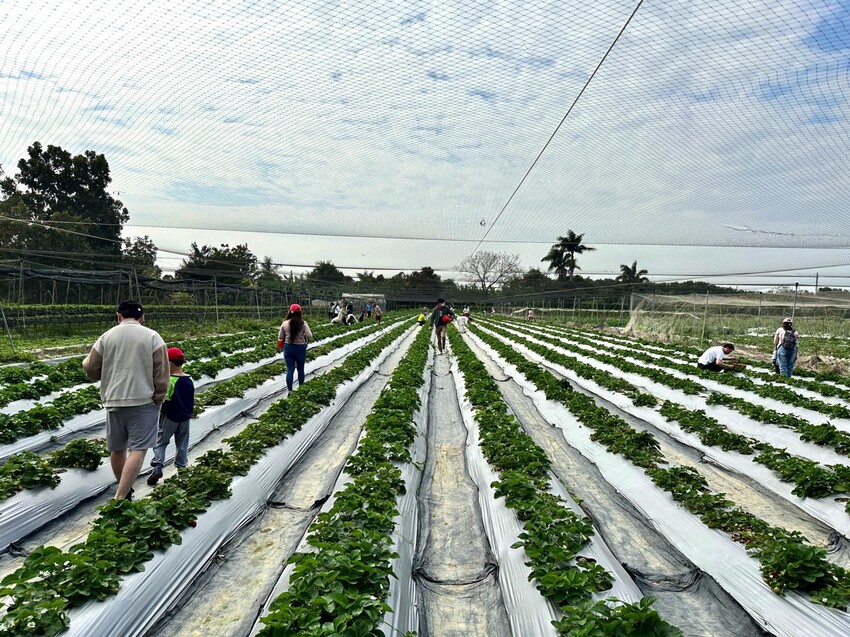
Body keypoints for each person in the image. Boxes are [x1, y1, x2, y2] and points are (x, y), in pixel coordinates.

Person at [82, 300, 169, 500]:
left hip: (113, 400)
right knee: (138, 449)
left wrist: (92, 370)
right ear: (142, 318)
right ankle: (120, 496)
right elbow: (162, 374)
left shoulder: (106, 337)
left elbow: (90, 368)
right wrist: (158, 398)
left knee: (117, 448)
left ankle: (125, 491)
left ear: (118, 316)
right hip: (143, 400)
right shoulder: (153, 337)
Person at [147, 347, 195, 485]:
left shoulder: (170, 381)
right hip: (185, 418)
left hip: (169, 417)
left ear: (169, 364)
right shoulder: (189, 380)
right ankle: (182, 469)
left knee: (160, 442)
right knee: (182, 444)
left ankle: (157, 466)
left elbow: (164, 400)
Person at [277, 304, 313, 391]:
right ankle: (301, 389)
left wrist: (281, 346)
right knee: (300, 369)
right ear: (300, 312)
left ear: (290, 312)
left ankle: (290, 390)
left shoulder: (285, 323)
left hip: (288, 348)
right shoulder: (303, 323)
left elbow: (280, 337)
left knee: (290, 370)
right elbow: (309, 335)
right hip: (300, 348)